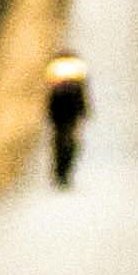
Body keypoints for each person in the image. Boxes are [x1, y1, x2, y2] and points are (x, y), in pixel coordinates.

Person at [42, 51, 90, 188]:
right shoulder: (65, 79)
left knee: (69, 144)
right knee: (61, 143)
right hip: (61, 117)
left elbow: (81, 97)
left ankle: (64, 173)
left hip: (68, 116)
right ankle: (60, 173)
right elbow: (52, 100)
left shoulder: (70, 79)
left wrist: (83, 110)